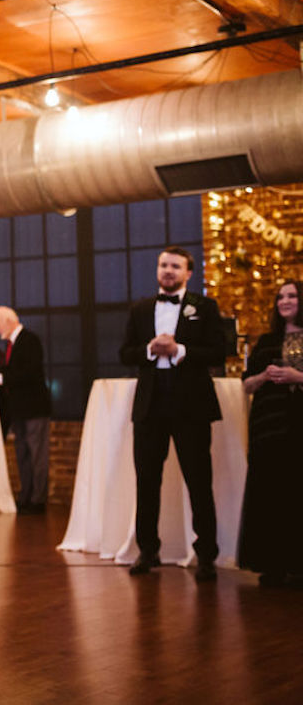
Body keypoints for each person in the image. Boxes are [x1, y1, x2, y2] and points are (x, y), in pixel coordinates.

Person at [119, 246, 225, 581]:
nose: (168, 270)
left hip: (190, 404)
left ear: (188, 272)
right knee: (147, 481)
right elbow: (124, 353)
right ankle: (147, 550)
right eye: (163, 265)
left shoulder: (204, 307)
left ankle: (206, 554)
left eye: (175, 266)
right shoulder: (140, 309)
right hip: (151, 405)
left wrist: (179, 350)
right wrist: (149, 350)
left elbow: (218, 352)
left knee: (199, 480)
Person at [237, 280, 303, 587]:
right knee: (271, 494)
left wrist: (295, 376)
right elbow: (246, 385)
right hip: (269, 428)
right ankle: (272, 563)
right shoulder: (265, 341)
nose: (285, 301)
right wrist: (264, 375)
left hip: (298, 425)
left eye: (292, 295)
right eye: (280, 296)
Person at [0, 306, 51, 514]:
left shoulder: (29, 340)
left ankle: (38, 500)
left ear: (8, 321)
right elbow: (12, 370)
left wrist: (0, 379)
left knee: (37, 455)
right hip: (19, 409)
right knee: (22, 453)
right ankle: (25, 495)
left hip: (34, 407)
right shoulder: (10, 345)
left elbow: (29, 372)